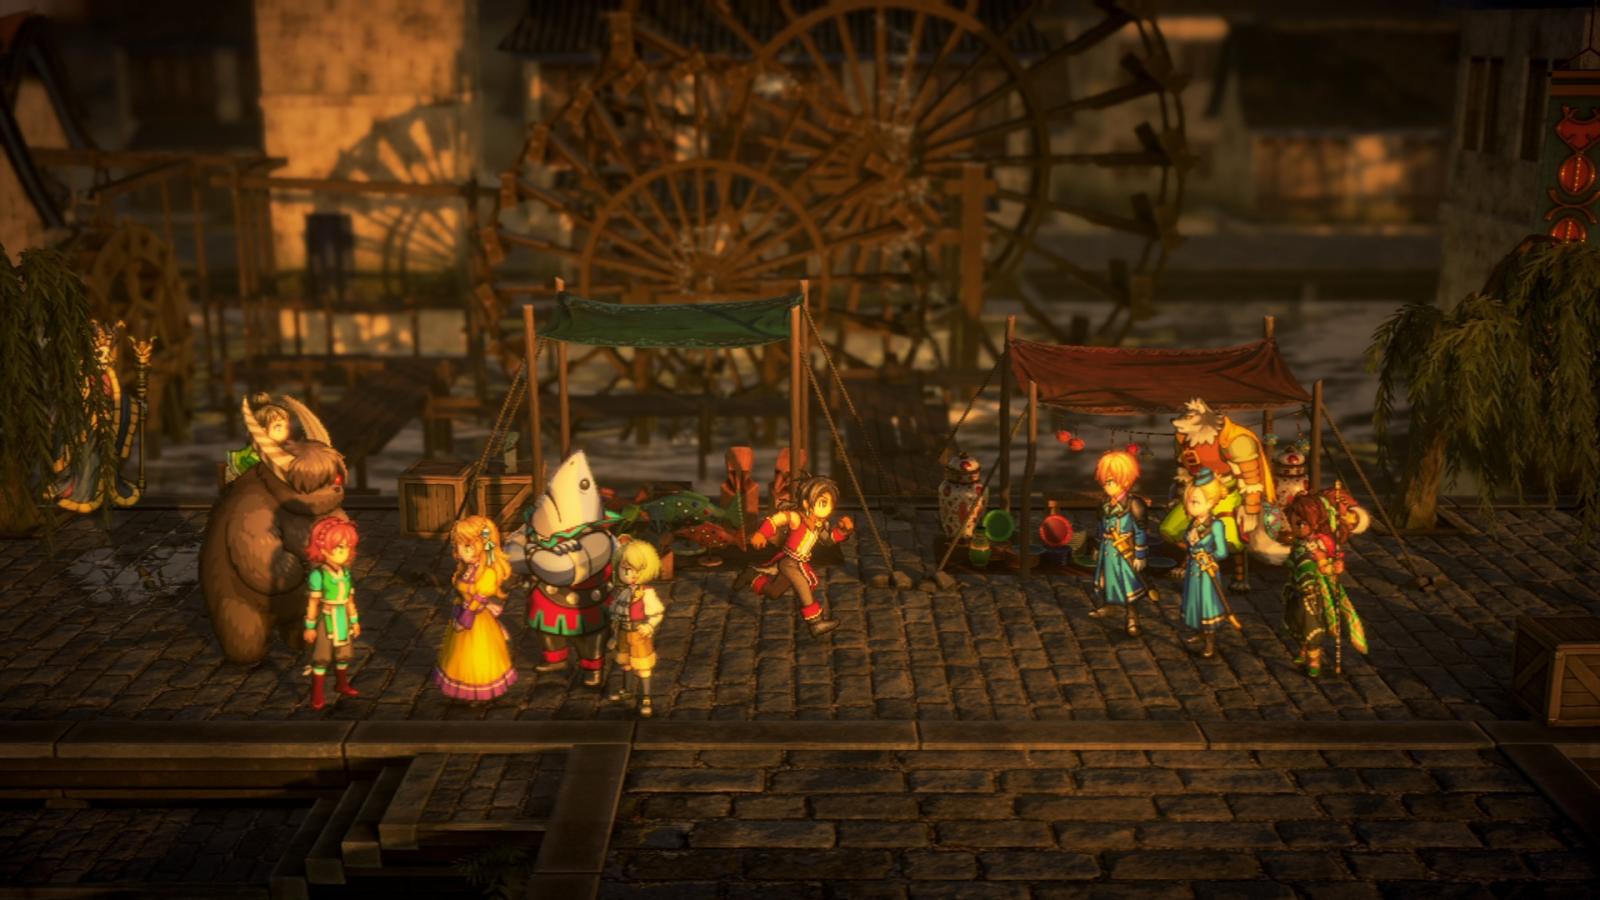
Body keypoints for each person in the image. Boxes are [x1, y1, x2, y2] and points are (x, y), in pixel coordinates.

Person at [1161, 397, 1273, 589]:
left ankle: (1240, 577)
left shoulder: (1236, 440)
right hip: (1197, 492)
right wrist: (1182, 495)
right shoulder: (1183, 438)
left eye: (1191, 417)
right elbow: (1184, 469)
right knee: (1170, 529)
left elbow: (1251, 478)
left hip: (1227, 492)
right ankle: (1192, 559)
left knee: (1232, 539)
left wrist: (1251, 507)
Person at [750, 475, 853, 637]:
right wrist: (762, 533)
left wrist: (842, 531)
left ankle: (752, 578)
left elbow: (828, 540)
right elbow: (776, 520)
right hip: (789, 562)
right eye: (823, 503)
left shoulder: (820, 525)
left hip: (798, 562)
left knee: (774, 592)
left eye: (830, 504)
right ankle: (815, 623)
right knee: (802, 584)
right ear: (806, 503)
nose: (828, 508)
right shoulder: (797, 518)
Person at [1280, 489, 1368, 677]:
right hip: (1296, 589)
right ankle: (1304, 650)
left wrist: (1332, 566)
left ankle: (1314, 661)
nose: (1297, 527)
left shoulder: (1320, 544)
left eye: (1302, 522)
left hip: (1314, 591)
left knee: (1311, 624)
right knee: (1295, 621)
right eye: (1294, 522)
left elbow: (1331, 561)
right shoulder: (1298, 543)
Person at [433, 516, 519, 701]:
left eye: (468, 546)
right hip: (463, 614)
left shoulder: (487, 573)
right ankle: (467, 691)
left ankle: (479, 691)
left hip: (475, 621)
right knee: (460, 656)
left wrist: (465, 617)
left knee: (477, 655)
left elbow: (478, 599)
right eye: (459, 546)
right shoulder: (468, 569)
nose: (462, 551)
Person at [1089, 449, 1152, 636]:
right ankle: (1109, 606)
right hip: (1108, 549)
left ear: (1124, 480)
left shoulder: (1134, 504)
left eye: (1110, 481)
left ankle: (1132, 618)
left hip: (1125, 552)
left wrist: (1140, 555)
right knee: (1107, 580)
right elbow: (1100, 527)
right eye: (1104, 481)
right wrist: (1096, 546)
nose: (1106, 486)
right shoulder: (1105, 505)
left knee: (1128, 584)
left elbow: (1140, 531)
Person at [303, 516, 361, 710]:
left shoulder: (345, 573)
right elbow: (313, 602)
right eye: (339, 547)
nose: (345, 552)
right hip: (326, 618)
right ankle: (317, 693)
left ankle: (341, 684)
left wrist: (354, 621)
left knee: (344, 654)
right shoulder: (318, 575)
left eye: (348, 547)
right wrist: (310, 626)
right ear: (323, 548)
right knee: (322, 657)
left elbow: (349, 599)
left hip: (343, 617)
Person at [605, 538, 665, 717]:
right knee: (625, 663)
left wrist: (649, 626)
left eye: (636, 570)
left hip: (639, 633)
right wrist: (614, 633)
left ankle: (646, 697)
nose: (631, 574)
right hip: (623, 631)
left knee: (643, 666)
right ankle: (627, 690)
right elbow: (615, 612)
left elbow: (657, 613)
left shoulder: (647, 593)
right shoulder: (623, 592)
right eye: (626, 569)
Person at [1179, 469, 1234, 659]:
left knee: (1207, 604)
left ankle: (1210, 642)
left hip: (1207, 573)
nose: (1190, 506)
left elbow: (1222, 552)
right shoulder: (1192, 524)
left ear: (1210, 502)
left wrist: (1208, 557)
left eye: (1195, 502)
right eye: (1189, 501)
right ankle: (1199, 632)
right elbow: (1187, 543)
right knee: (1194, 602)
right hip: (1194, 570)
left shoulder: (1216, 525)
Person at [227, 393, 292, 483]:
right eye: (278, 427)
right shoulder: (248, 459)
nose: (286, 431)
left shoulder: (288, 451)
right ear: (262, 431)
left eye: (287, 427)